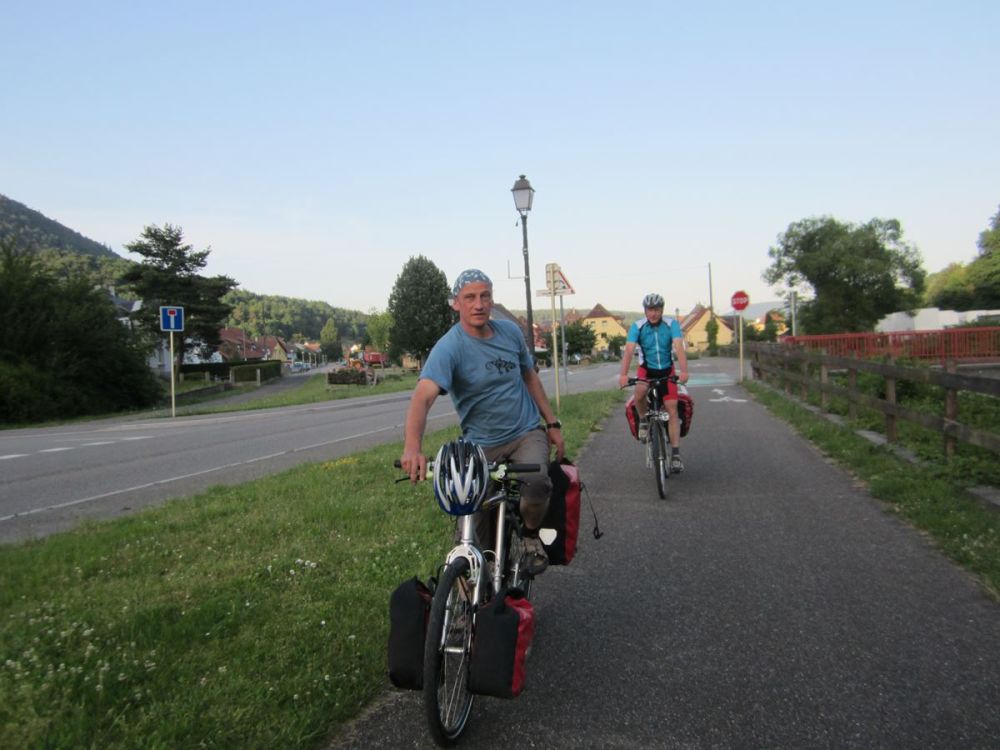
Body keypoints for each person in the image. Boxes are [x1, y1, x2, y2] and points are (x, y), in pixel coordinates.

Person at [401, 268, 565, 574]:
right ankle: (474, 585)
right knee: (474, 531)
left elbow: (529, 376)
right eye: (470, 297)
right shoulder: (449, 348)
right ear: (456, 303)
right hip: (480, 444)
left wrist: (552, 424)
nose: (478, 304)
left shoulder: (510, 333)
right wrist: (412, 448)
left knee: (537, 483)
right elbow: (422, 398)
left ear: (491, 299)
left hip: (525, 432)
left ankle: (530, 536)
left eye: (484, 296)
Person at [618, 293, 689, 472]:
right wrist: (623, 375)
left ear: (662, 310)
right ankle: (643, 420)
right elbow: (629, 350)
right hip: (647, 369)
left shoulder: (671, 324)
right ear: (645, 311)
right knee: (639, 392)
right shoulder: (638, 326)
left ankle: (676, 455)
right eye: (650, 310)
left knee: (672, 408)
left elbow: (679, 346)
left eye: (656, 310)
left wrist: (684, 371)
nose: (653, 313)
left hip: (666, 369)